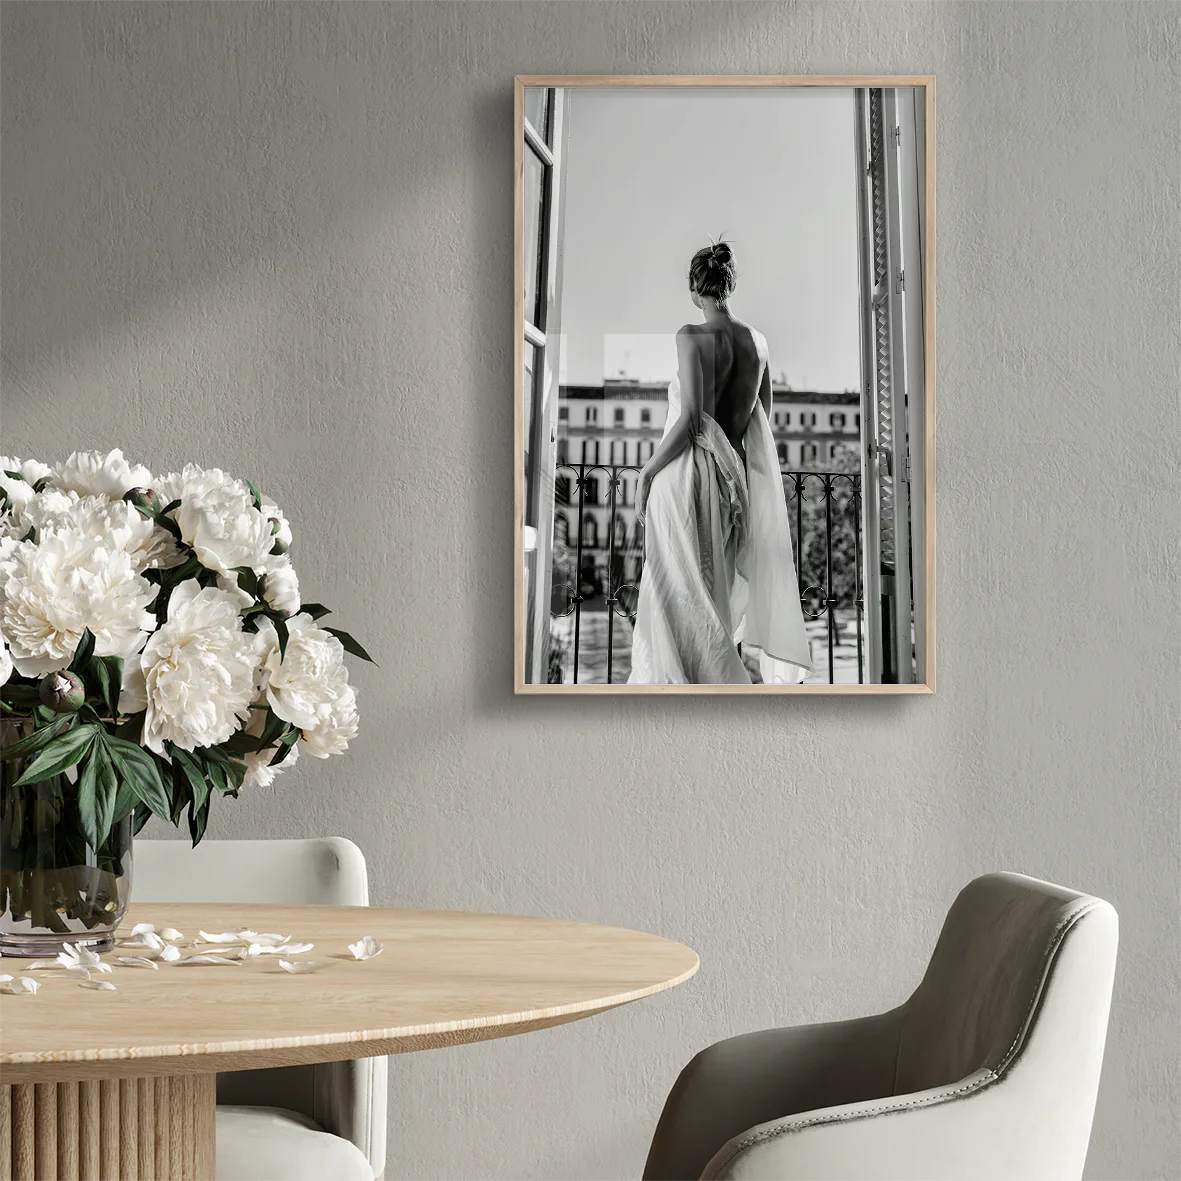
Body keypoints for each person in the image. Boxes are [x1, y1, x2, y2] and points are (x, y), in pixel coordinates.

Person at [627, 242, 811, 685]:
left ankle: (689, 693)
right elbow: (761, 421)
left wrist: (648, 472)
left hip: (686, 479)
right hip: (732, 482)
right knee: (713, 597)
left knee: (679, 594)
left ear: (695, 288)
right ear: (728, 285)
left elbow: (691, 419)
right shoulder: (759, 344)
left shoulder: (690, 336)